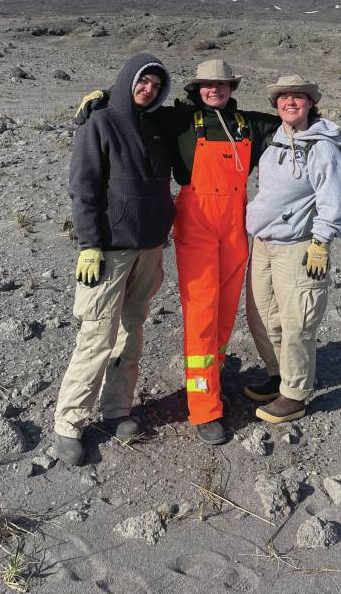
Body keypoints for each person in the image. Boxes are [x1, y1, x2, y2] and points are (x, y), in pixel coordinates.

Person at [76, 59, 278, 444]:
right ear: (196, 89)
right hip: (197, 226)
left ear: (231, 88)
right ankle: (204, 409)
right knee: (202, 311)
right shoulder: (179, 121)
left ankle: (212, 377)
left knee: (224, 311)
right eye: (206, 85)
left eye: (221, 85)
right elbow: (137, 107)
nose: (213, 90)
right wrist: (103, 97)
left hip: (235, 228)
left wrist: (331, 134)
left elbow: (294, 125)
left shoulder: (250, 124)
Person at [53, 53, 175, 466]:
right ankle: (69, 422)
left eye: (157, 86)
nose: (149, 90)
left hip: (150, 247)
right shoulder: (100, 122)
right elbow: (83, 187)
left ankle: (117, 409)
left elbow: (201, 109)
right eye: (142, 83)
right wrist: (89, 243)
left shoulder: (157, 124)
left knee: (132, 328)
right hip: (109, 250)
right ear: (129, 81)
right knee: (96, 335)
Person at [244, 74, 341, 424]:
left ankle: (295, 394)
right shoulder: (273, 140)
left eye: (298, 97)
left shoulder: (322, 147)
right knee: (262, 314)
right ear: (275, 105)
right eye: (283, 98)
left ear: (310, 103)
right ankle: (278, 373)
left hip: (299, 246)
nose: (290, 103)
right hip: (263, 244)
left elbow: (332, 200)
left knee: (297, 321)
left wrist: (321, 243)